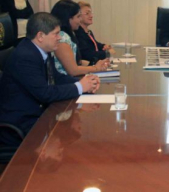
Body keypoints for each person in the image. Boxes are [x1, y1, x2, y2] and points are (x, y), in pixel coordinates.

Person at [0, 12, 100, 146]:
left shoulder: (42, 50)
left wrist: (86, 82)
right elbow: (45, 94)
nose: (59, 38)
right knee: (74, 143)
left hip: (39, 114)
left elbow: (56, 77)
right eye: (56, 34)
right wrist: (80, 87)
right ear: (40, 36)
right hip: (21, 123)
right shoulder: (25, 56)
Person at [51, 0, 108, 76]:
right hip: (64, 82)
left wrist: (97, 65)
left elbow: (78, 62)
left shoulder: (69, 35)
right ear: (68, 18)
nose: (80, 20)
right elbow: (73, 70)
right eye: (78, 16)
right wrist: (95, 68)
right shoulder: (61, 38)